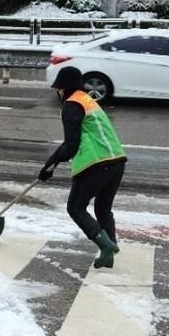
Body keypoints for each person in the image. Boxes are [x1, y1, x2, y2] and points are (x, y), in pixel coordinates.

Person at [38, 66, 127, 269]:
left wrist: (50, 165)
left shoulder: (72, 104)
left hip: (96, 163)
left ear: (64, 88)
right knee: (103, 210)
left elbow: (71, 144)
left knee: (75, 207)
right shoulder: (88, 100)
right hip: (117, 161)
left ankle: (105, 245)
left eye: (58, 88)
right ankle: (109, 254)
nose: (58, 92)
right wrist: (52, 163)